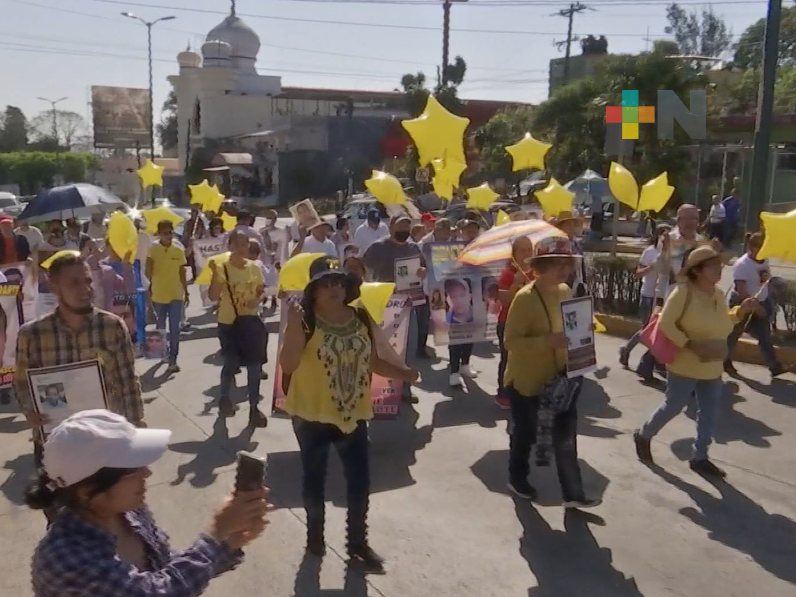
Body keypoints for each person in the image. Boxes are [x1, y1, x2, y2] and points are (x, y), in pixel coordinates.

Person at [26, 409, 270, 597]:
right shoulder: (65, 558)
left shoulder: (130, 513)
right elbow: (158, 591)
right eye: (133, 470)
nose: (147, 474)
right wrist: (216, 532)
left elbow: (164, 570)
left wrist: (228, 543)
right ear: (87, 490)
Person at [279, 256, 418, 572]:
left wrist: (404, 374)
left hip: (353, 412)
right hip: (311, 415)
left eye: (338, 282)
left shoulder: (359, 317)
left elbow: (372, 360)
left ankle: (357, 543)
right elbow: (288, 365)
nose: (334, 289)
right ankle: (315, 538)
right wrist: (290, 326)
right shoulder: (304, 320)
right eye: (325, 284)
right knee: (315, 480)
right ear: (312, 292)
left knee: (359, 481)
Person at [14, 253, 145, 518]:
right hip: (57, 448)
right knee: (62, 522)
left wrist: (136, 429)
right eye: (74, 283)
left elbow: (128, 381)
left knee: (114, 521)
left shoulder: (112, 327)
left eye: (87, 281)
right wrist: (30, 410)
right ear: (54, 287)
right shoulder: (33, 335)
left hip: (106, 443)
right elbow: (22, 383)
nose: (85, 290)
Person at [634, 246, 758, 478]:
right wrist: (690, 345)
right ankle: (644, 434)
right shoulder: (683, 293)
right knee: (673, 406)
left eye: (719, 265)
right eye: (713, 266)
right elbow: (666, 325)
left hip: (712, 363)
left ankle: (700, 457)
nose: (719, 270)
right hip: (685, 364)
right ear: (698, 270)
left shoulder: (718, 295)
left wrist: (741, 311)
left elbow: (725, 323)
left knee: (709, 412)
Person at [503, 236, 600, 508]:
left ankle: (573, 495)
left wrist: (583, 332)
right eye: (557, 265)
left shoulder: (565, 293)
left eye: (567, 264)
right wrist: (548, 341)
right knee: (526, 434)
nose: (564, 270)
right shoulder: (524, 299)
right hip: (526, 382)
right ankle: (517, 478)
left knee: (566, 439)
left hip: (560, 381)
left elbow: (571, 330)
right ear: (540, 267)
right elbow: (511, 343)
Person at [636, 204, 712, 383]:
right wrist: (664, 251)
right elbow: (662, 271)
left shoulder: (701, 241)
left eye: (695, 218)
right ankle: (670, 373)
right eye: (688, 218)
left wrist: (715, 253)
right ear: (679, 220)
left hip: (695, 297)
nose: (692, 222)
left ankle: (648, 365)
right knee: (671, 333)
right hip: (673, 294)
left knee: (676, 335)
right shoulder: (669, 239)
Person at [208, 230, 268, 427]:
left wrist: (257, 299)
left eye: (246, 244)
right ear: (230, 245)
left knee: (254, 367)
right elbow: (213, 296)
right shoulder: (222, 268)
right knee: (230, 364)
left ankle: (253, 408)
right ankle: (224, 399)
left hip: (250, 323)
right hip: (229, 322)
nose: (243, 248)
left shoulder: (255, 268)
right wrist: (215, 277)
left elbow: (261, 291)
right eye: (239, 244)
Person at [363, 215, 429, 368]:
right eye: (400, 227)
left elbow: (424, 268)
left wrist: (422, 271)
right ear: (391, 227)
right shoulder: (377, 247)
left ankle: (404, 384)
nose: (404, 230)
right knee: (384, 345)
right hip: (384, 303)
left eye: (407, 227)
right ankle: (383, 385)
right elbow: (362, 268)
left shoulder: (413, 248)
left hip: (407, 303)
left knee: (407, 344)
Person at [724, 232, 785, 377]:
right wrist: (756, 308)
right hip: (743, 304)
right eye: (761, 246)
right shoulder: (742, 265)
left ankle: (774, 366)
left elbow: (764, 280)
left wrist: (768, 296)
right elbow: (742, 291)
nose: (765, 249)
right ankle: (724, 361)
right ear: (751, 247)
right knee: (733, 335)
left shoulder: (764, 259)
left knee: (764, 335)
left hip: (761, 302)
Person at [619, 226, 669, 368]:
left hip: (663, 295)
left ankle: (655, 362)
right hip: (648, 295)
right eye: (663, 235)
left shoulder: (671, 254)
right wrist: (652, 267)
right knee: (648, 329)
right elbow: (638, 273)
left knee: (658, 330)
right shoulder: (650, 252)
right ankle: (627, 350)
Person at [496, 236, 535, 409]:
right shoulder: (507, 273)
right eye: (523, 250)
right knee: (507, 358)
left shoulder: (536, 272)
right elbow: (504, 301)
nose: (527, 253)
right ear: (514, 253)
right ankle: (503, 393)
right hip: (508, 322)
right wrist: (516, 283)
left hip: (530, 323)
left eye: (529, 249)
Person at [146, 220, 188, 374]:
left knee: (175, 329)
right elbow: (148, 272)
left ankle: (173, 360)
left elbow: (182, 272)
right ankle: (163, 353)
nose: (168, 236)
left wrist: (186, 291)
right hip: (158, 294)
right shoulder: (153, 249)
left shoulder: (178, 249)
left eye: (170, 232)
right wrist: (148, 291)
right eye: (164, 233)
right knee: (161, 328)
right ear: (159, 234)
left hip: (176, 294)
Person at [447, 219, 480, 388]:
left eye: (475, 230)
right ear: (461, 232)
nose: (472, 234)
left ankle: (466, 364)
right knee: (455, 337)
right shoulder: (451, 250)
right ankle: (454, 371)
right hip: (455, 293)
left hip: (475, 296)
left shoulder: (482, 250)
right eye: (468, 231)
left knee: (470, 334)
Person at [551, 211, 587, 297]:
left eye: (573, 224)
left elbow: (581, 268)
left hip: (579, 287)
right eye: (568, 225)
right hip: (564, 288)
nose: (571, 227)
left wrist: (584, 284)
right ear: (561, 227)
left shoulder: (577, 244)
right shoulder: (557, 246)